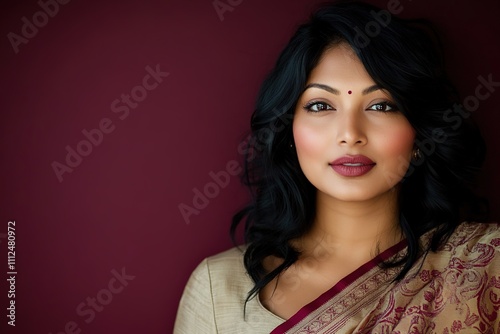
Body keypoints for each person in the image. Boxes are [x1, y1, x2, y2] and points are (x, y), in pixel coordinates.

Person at [174, 1, 500, 333]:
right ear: (288, 133)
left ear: (419, 135)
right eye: (320, 105)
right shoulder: (218, 290)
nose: (350, 135)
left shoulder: (488, 267)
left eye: (381, 105)